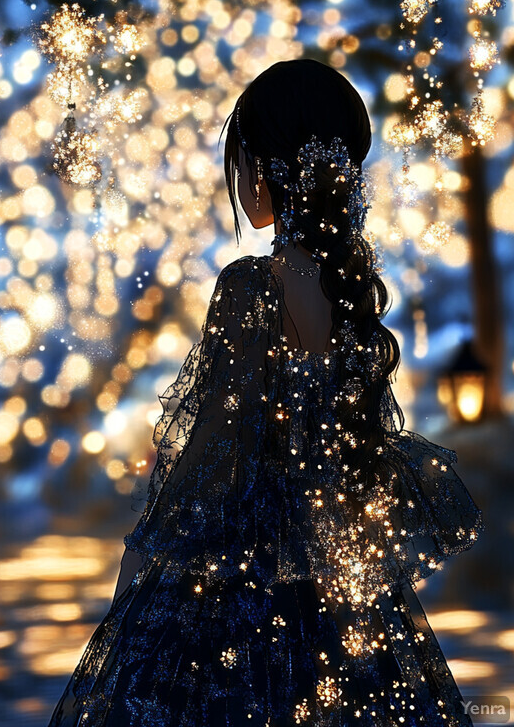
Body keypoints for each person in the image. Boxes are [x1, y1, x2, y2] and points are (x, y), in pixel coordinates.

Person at [47, 59, 484, 726]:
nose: (241, 174)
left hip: (241, 589)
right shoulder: (347, 290)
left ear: (270, 165)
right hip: (345, 591)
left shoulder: (255, 286)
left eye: (245, 155)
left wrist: (143, 557)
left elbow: (214, 449)